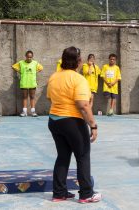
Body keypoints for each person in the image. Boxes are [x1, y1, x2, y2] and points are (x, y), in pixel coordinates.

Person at [47, 46, 101, 203]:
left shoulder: (54, 77)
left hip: (54, 120)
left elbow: (51, 98)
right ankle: (86, 194)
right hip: (72, 122)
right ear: (79, 61)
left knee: (63, 156)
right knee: (82, 156)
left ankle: (59, 193)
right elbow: (83, 105)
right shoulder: (78, 79)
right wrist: (93, 125)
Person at [12, 50, 43, 117]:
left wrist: (35, 72)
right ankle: (24, 112)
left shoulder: (35, 63)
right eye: (28, 57)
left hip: (32, 82)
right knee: (25, 97)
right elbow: (13, 66)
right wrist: (20, 71)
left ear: (32, 57)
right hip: (24, 82)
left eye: (30, 57)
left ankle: (33, 111)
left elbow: (41, 68)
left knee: (32, 97)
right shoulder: (21, 63)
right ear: (25, 56)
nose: (29, 58)